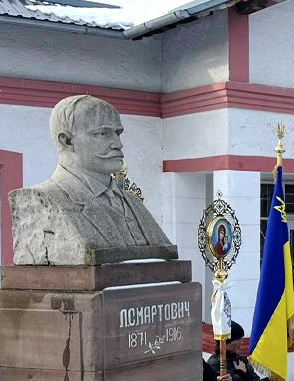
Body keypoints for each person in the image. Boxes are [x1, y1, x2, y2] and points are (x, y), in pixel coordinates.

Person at [11, 95, 173, 265]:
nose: (118, 144)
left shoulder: (133, 201)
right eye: (103, 133)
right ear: (66, 141)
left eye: (118, 133)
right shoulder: (41, 200)